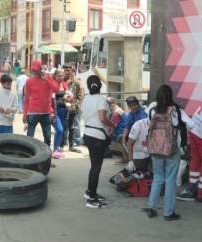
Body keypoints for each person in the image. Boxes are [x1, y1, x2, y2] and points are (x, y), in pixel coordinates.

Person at [137, 85, 189, 221]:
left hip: (155, 149)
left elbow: (149, 127)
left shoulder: (152, 111)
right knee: (170, 180)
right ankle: (168, 212)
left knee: (158, 178)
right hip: (172, 149)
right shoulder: (176, 110)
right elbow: (192, 124)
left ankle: (151, 207)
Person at [81, 75, 115, 208]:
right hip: (98, 136)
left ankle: (90, 192)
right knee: (96, 167)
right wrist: (111, 125)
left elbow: (85, 113)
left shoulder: (86, 99)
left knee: (93, 166)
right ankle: (91, 198)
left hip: (88, 134)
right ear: (100, 86)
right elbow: (102, 118)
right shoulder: (101, 99)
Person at [23, 60, 55, 149]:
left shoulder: (47, 78)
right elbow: (26, 99)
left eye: (36, 70)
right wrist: (25, 114)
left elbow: (55, 88)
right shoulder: (29, 81)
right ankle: (29, 156)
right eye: (33, 70)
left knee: (48, 138)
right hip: (33, 113)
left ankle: (46, 156)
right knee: (30, 137)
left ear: (40, 69)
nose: (35, 71)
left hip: (46, 113)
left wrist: (47, 79)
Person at [120, 97, 148, 163]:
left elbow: (145, 128)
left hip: (144, 135)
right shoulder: (131, 113)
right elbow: (127, 126)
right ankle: (131, 160)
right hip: (135, 134)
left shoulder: (144, 112)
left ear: (138, 104)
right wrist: (124, 137)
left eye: (134, 105)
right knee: (123, 139)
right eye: (131, 106)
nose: (133, 107)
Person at [63, 65, 83, 152]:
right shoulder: (61, 81)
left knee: (72, 127)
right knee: (62, 127)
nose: (66, 72)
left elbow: (80, 95)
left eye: (68, 70)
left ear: (72, 71)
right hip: (62, 109)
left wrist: (76, 104)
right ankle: (61, 145)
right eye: (65, 70)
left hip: (73, 109)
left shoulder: (77, 82)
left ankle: (72, 145)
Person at [52, 69, 69, 159]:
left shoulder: (64, 84)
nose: (61, 77)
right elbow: (51, 98)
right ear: (55, 76)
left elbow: (68, 94)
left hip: (64, 110)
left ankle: (57, 149)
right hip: (55, 111)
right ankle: (55, 150)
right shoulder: (53, 84)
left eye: (62, 76)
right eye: (59, 76)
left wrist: (69, 97)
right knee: (59, 130)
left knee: (60, 131)